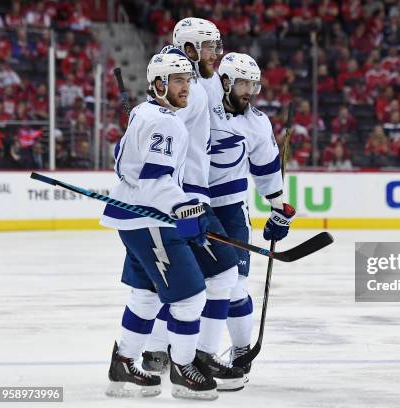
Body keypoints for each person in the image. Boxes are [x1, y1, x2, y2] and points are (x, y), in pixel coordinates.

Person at [100, 52, 218, 400]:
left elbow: (126, 166)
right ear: (158, 84)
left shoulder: (145, 113)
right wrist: (186, 208)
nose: (186, 87)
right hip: (149, 220)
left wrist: (180, 207)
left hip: (138, 218)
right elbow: (154, 182)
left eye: (188, 80)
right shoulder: (165, 122)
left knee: (146, 295)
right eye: (178, 80)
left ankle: (122, 365)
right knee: (191, 297)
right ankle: (183, 371)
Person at [141, 18, 246, 392]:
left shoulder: (188, 79)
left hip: (175, 198)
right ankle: (197, 357)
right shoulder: (191, 88)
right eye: (208, 47)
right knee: (220, 276)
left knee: (156, 283)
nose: (216, 54)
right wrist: (181, 204)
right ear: (188, 48)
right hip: (184, 199)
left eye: (217, 46)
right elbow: (164, 139)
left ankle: (153, 353)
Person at [204, 52, 295, 377]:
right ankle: (164, 349)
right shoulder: (201, 105)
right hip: (187, 203)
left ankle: (242, 350)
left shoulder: (257, 123)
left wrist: (278, 209)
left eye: (253, 84)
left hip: (230, 208)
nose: (249, 90)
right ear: (225, 81)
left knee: (234, 286)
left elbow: (267, 171)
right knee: (181, 285)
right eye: (243, 83)